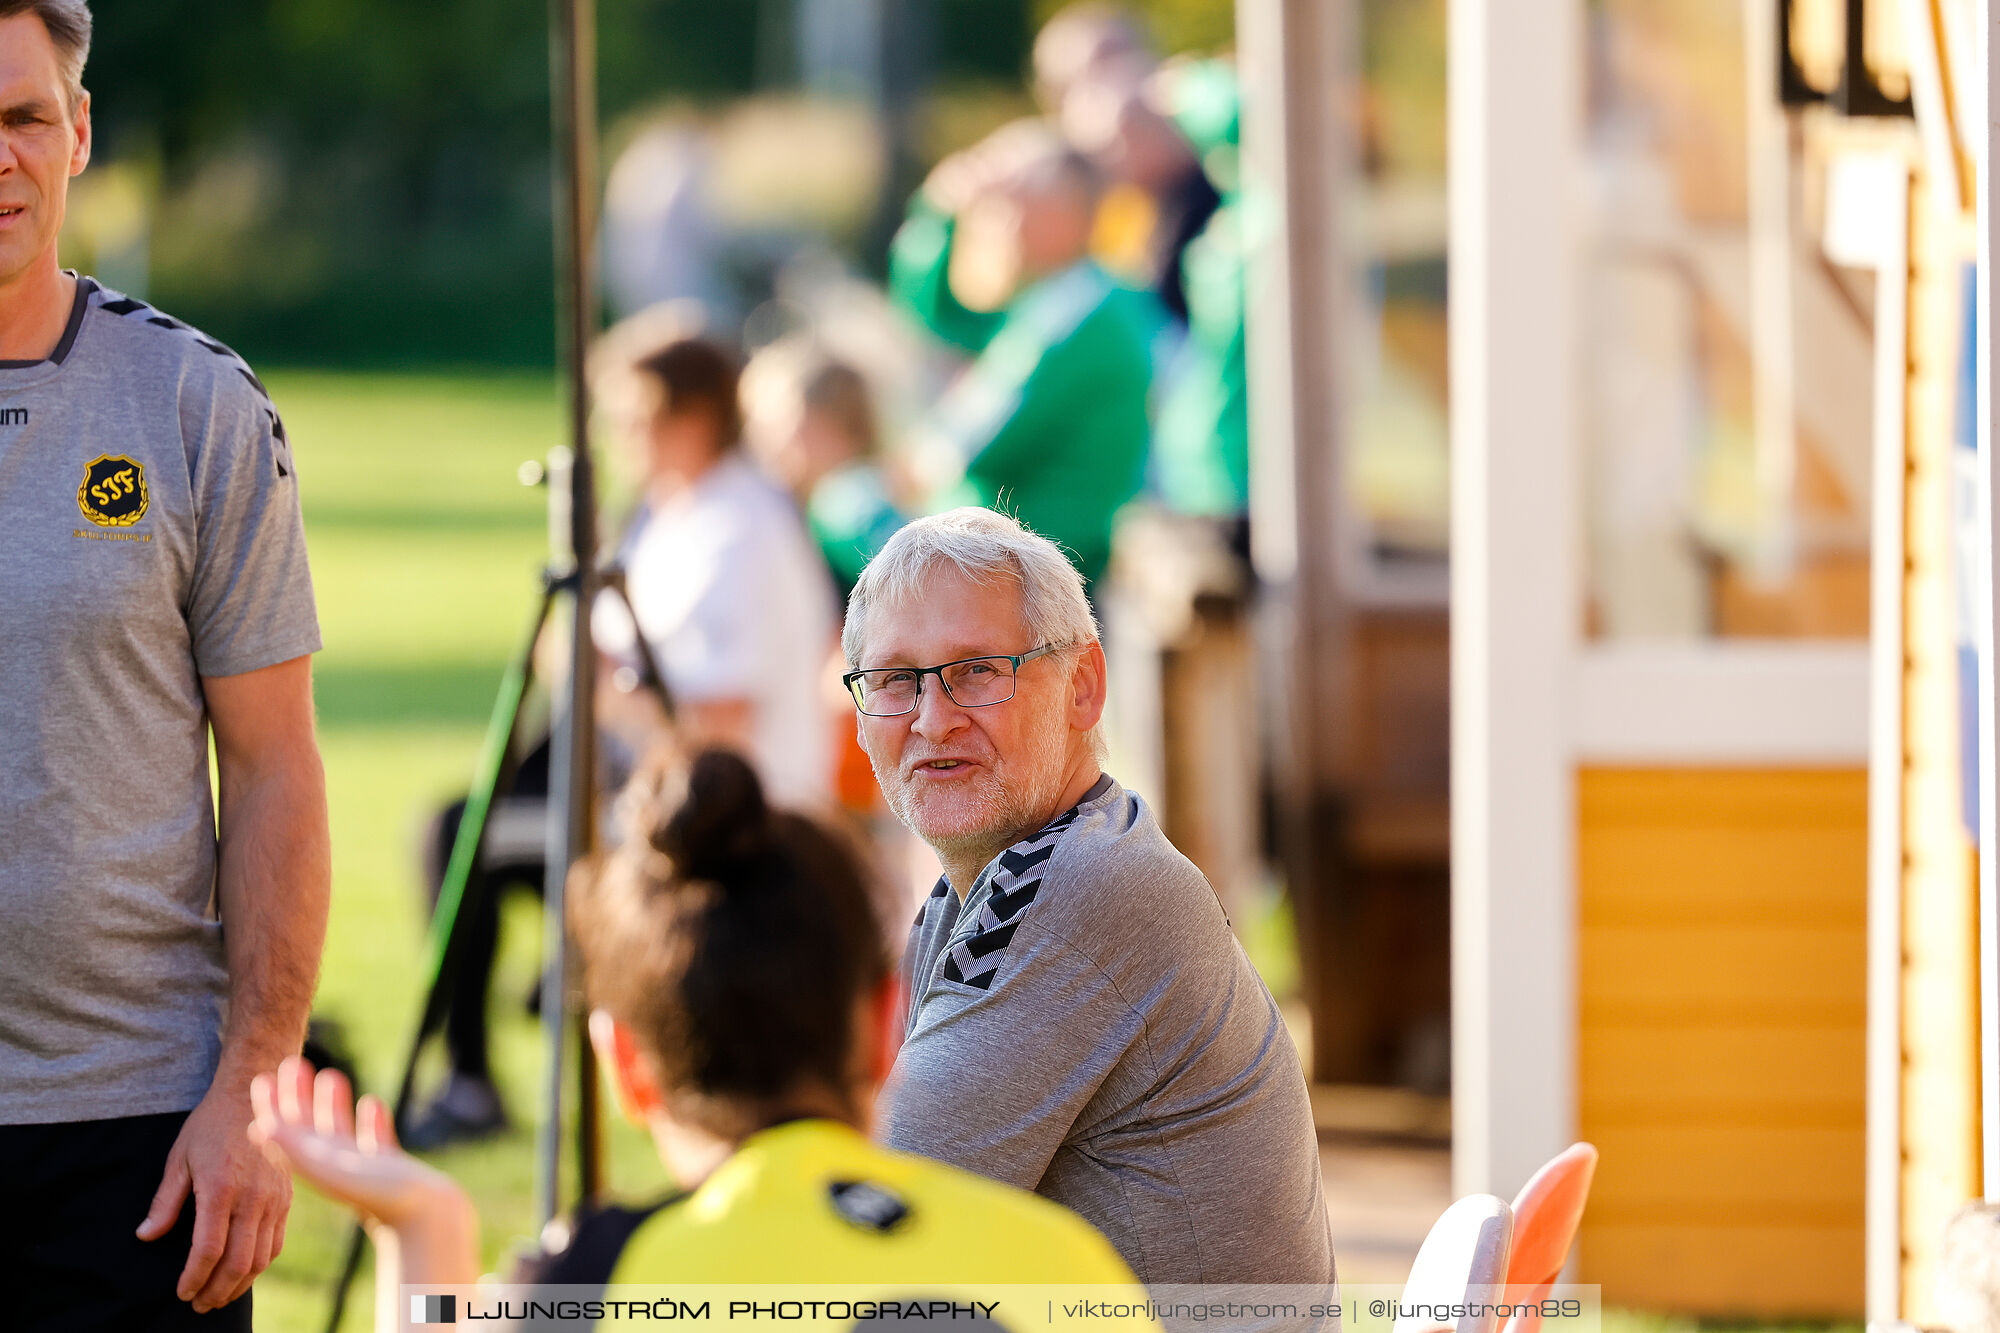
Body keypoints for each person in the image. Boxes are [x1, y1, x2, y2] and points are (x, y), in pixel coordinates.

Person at [250, 749, 1155, 1329]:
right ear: (888, 1022)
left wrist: (419, 1223)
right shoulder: (1071, 1266)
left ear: (626, 1066)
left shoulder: (591, 1283)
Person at [0, 3, 330, 1327]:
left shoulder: (196, 405)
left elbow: (273, 767)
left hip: (133, 1139)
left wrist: (251, 1088)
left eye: (20, 118)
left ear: (78, 134)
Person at [841, 508, 1337, 1285]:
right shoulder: (1030, 868)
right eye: (895, 681)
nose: (933, 720)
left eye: (977, 668)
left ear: (1084, 686)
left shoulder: (1078, 889)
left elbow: (872, 1217)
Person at [406, 321, 837, 1148]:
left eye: (635, 414)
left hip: (720, 810)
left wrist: (593, 676)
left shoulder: (736, 529)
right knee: (462, 825)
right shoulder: (673, 513)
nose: (619, 435)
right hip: (635, 782)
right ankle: (539, 1003)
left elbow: (713, 721)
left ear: (697, 415)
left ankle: (476, 1074)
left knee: (458, 836)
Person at [889, 120, 1164, 591]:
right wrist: (939, 214)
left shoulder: (1080, 313)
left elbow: (967, 451)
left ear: (1063, 211)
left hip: (1035, 562)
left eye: (1015, 200)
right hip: (1016, 550)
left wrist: (902, 471)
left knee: (845, 510)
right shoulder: (1058, 299)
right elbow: (933, 318)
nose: (995, 218)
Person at [739, 336, 907, 603]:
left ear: (819, 420)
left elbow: (921, 578)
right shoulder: (855, 491)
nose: (755, 437)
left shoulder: (843, 502)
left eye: (767, 420)